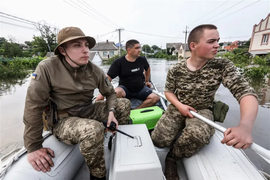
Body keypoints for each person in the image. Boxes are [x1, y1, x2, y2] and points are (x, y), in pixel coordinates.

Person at [151, 24, 258, 180]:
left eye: (218, 41)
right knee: (159, 140)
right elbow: (168, 92)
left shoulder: (222, 66)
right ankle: (175, 131)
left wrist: (245, 126)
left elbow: (245, 93)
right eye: (211, 41)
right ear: (193, 46)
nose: (217, 45)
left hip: (202, 110)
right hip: (178, 107)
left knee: (196, 136)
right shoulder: (176, 69)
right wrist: (180, 106)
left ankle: (172, 158)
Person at [23, 27, 131, 180]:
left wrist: (111, 112)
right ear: (63, 50)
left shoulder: (94, 70)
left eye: (86, 45)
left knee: (124, 104)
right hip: (62, 119)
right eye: (77, 45)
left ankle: (114, 142)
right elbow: (33, 106)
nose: (86, 50)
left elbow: (110, 93)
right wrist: (33, 146)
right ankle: (98, 176)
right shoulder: (47, 68)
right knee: (93, 129)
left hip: (88, 110)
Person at [96, 39, 160, 109]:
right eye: (136, 48)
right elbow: (108, 78)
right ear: (129, 50)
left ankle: (135, 110)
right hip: (125, 90)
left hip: (140, 89)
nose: (139, 50)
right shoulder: (118, 63)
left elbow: (147, 69)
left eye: (139, 48)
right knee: (116, 93)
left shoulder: (142, 60)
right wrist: (102, 94)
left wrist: (147, 81)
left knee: (155, 98)